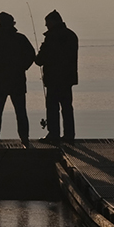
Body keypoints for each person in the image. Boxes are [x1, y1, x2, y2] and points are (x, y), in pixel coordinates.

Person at [0, 12, 36, 147]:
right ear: (12, 23)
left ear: (0, 23)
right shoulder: (20, 39)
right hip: (17, 80)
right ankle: (24, 139)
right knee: (20, 111)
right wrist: (22, 68)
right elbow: (31, 55)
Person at [34, 10, 79, 143]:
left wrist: (39, 54)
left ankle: (53, 134)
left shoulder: (52, 37)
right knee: (67, 107)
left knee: (53, 107)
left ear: (53, 22)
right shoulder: (71, 35)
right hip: (67, 78)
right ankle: (69, 135)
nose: (46, 26)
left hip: (54, 78)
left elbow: (40, 60)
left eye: (47, 24)